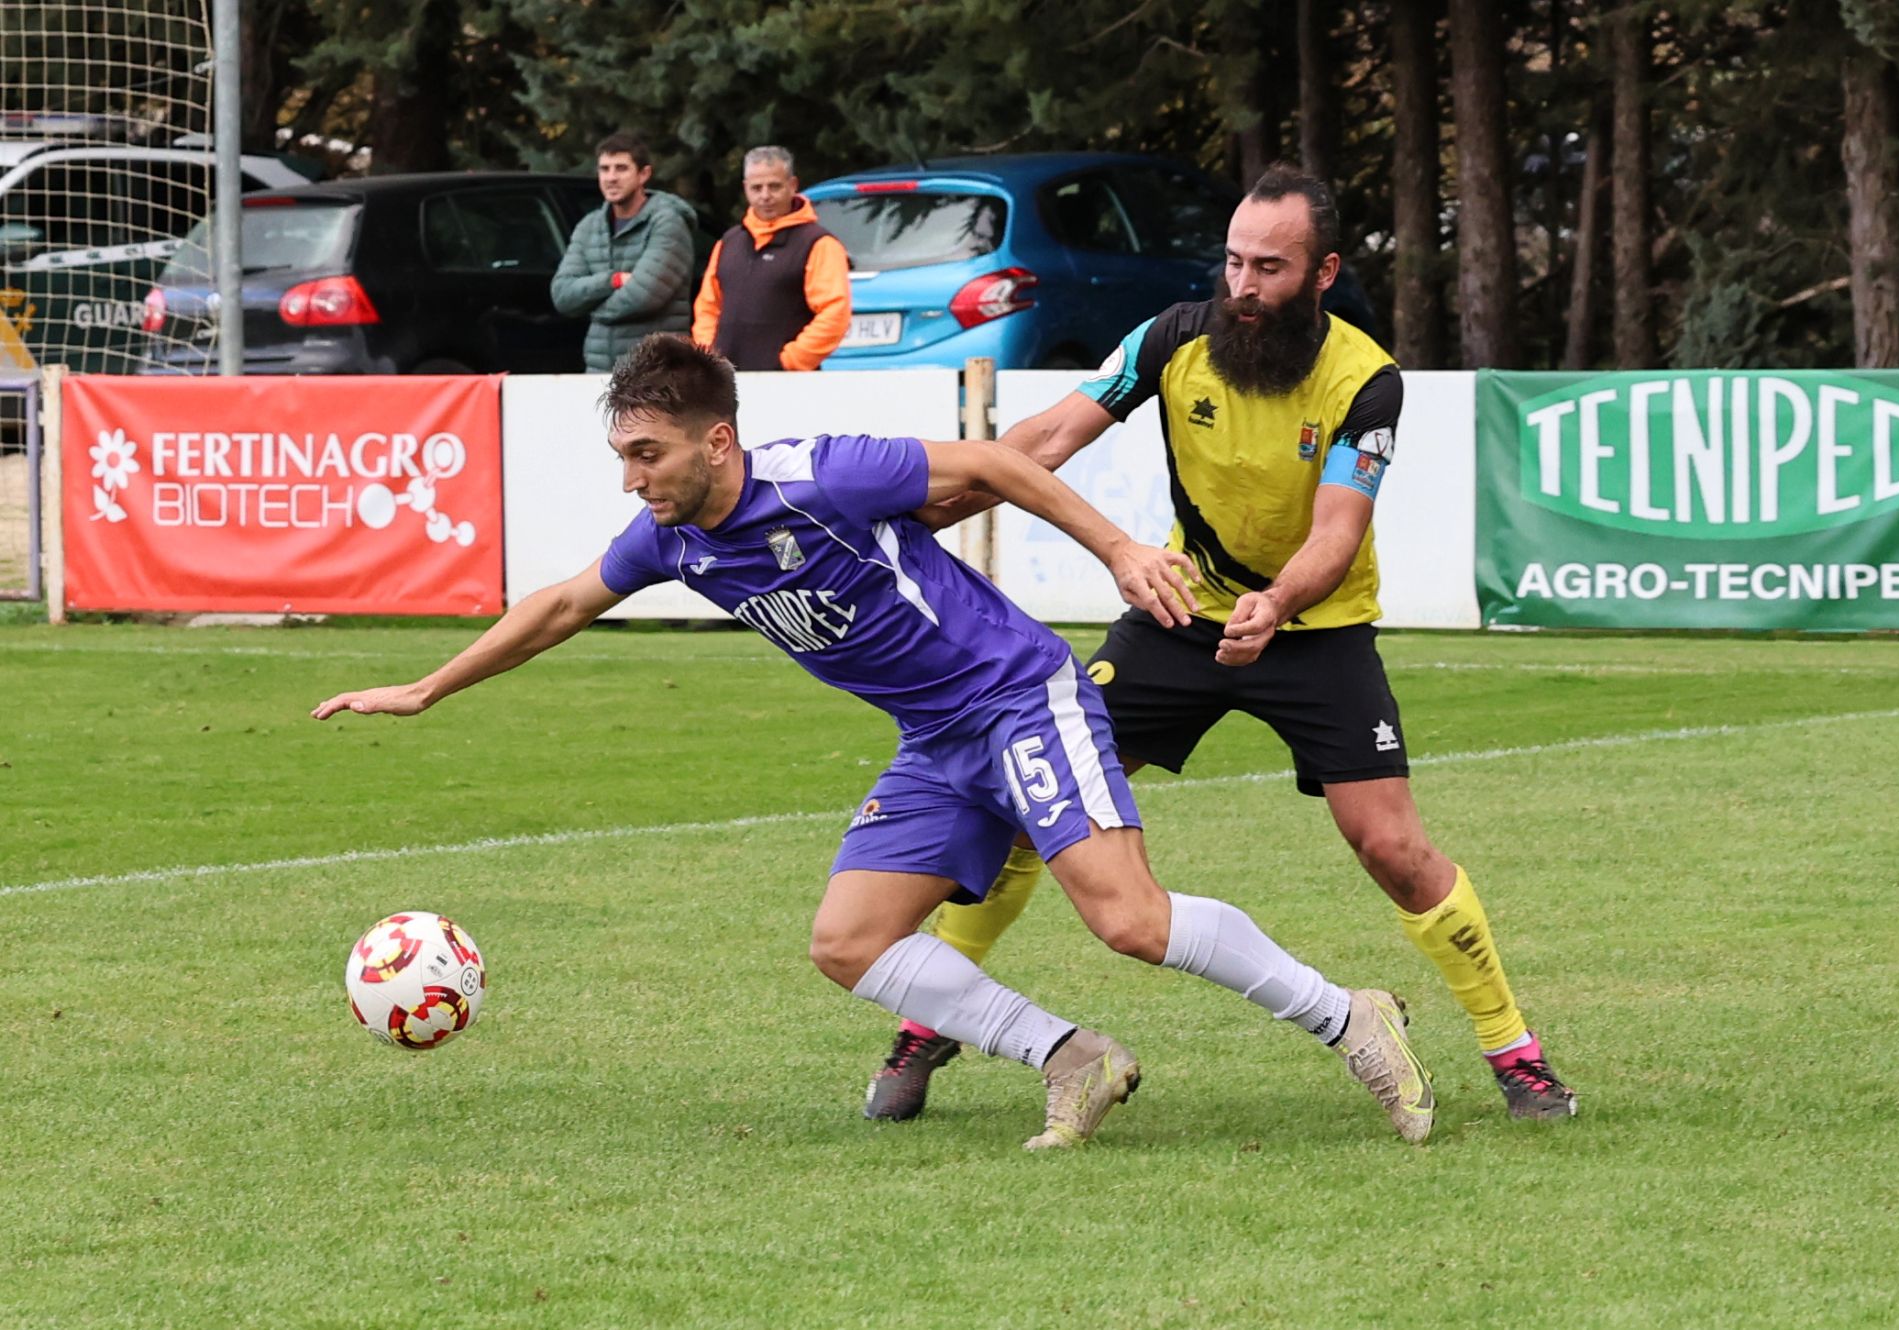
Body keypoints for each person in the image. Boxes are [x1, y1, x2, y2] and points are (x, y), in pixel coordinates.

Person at [312, 333, 1435, 1151]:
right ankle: (1074, 1059)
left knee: (1130, 920)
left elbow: (992, 466)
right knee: (848, 941)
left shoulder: (822, 476)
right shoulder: (673, 539)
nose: (631, 479)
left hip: (1017, 694)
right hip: (939, 736)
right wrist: (426, 688)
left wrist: (1118, 550)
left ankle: (1353, 1018)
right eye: (622, 457)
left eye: (646, 453)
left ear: (714, 440)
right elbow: (557, 605)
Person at [864, 162, 1578, 1125]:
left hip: (1315, 632)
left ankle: (1514, 1053)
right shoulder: (1171, 338)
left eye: (1269, 269)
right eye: (1234, 262)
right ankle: (927, 1026)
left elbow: (1336, 530)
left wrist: (1278, 602)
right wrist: (923, 510)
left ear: (1322, 274)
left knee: (1394, 848)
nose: (1242, 286)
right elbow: (1047, 438)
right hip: (1177, 615)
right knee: (1038, 802)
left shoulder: (1365, 379)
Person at [691, 145, 851, 371]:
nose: (765, 196)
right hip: (724, 383)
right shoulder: (729, 242)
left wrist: (790, 361)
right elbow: (708, 307)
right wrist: (708, 353)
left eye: (774, 186)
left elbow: (835, 313)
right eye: (756, 188)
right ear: (746, 189)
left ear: (792, 186)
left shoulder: (819, 244)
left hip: (788, 384)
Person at [551, 131, 699, 373]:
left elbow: (643, 296)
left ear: (644, 174)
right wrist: (613, 280)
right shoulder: (589, 226)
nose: (611, 178)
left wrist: (591, 308)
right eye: (604, 169)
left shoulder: (668, 223)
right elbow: (562, 295)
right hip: (600, 372)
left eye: (621, 168)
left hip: (656, 370)